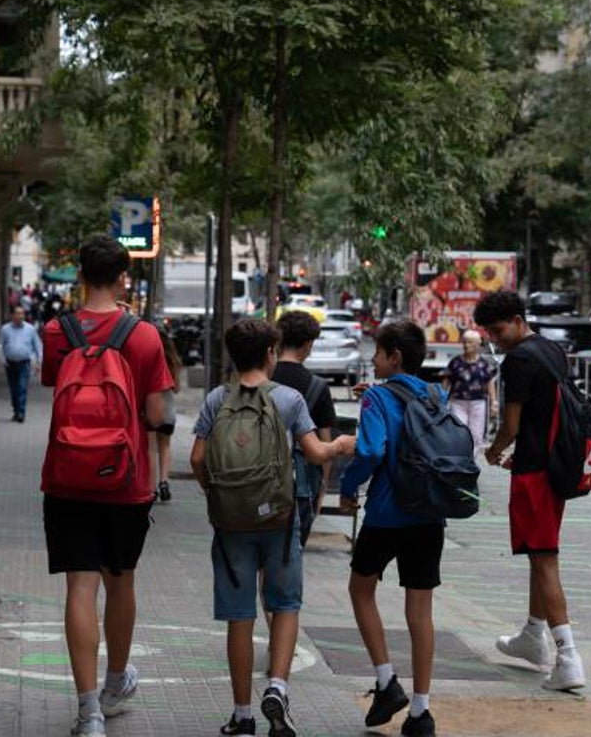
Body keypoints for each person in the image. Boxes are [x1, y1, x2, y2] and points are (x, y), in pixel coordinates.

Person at [190, 319, 355, 737]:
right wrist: (339, 446)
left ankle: (242, 715)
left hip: (231, 523)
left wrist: (218, 495)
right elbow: (315, 453)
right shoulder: (289, 399)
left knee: (239, 615)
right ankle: (278, 687)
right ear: (269, 354)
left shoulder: (216, 399)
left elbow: (197, 458)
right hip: (279, 520)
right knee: (284, 604)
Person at [39, 235, 175, 736]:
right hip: (125, 479)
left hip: (67, 476)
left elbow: (54, 385)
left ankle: (88, 712)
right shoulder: (143, 336)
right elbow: (157, 414)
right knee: (121, 582)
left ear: (80, 275)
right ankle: (115, 684)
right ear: (122, 277)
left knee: (80, 585)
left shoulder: (57, 331)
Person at [338, 321, 447, 737]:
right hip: (429, 515)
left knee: (360, 588)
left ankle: (386, 681)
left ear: (394, 357)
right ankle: (421, 711)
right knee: (420, 610)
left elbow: (370, 451)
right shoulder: (436, 394)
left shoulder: (378, 398)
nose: (374, 359)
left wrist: (348, 488)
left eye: (378, 353)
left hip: (386, 513)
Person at [475, 291, 586, 692]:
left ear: (518, 320)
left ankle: (568, 658)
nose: (494, 339)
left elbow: (512, 424)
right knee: (541, 555)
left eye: (498, 330)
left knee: (544, 561)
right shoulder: (550, 349)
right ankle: (533, 635)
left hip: (535, 474)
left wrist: (493, 451)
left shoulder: (518, 360)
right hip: (555, 466)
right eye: (489, 333)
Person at [272, 311, 338, 546]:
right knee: (290, 551)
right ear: (308, 344)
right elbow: (324, 443)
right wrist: (322, 489)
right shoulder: (317, 387)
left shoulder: (261, 377)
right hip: (300, 485)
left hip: (257, 479)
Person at [441, 330, 498, 455]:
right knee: (459, 431)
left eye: (470, 342)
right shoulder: (455, 362)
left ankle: (471, 460)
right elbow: (446, 381)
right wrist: (441, 399)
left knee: (476, 435)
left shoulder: (484, 364)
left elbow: (490, 383)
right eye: (464, 342)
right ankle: (459, 458)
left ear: (478, 344)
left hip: (478, 403)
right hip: (458, 402)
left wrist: (494, 402)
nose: (466, 345)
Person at [152, 329, 183, 503]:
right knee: (165, 447)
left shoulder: (150, 358)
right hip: (168, 409)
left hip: (150, 407)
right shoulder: (173, 361)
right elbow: (176, 388)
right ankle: (164, 482)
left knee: (150, 449)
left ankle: (151, 488)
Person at [0, 305, 42, 423]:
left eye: (22, 313)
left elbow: (37, 346)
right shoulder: (5, 329)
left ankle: (21, 413)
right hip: (10, 364)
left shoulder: (30, 329)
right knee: (13, 389)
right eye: (17, 313)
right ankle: (16, 410)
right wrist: (3, 361)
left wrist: (39, 362)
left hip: (24, 363)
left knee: (22, 387)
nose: (20, 316)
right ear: (12, 316)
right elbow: (0, 346)